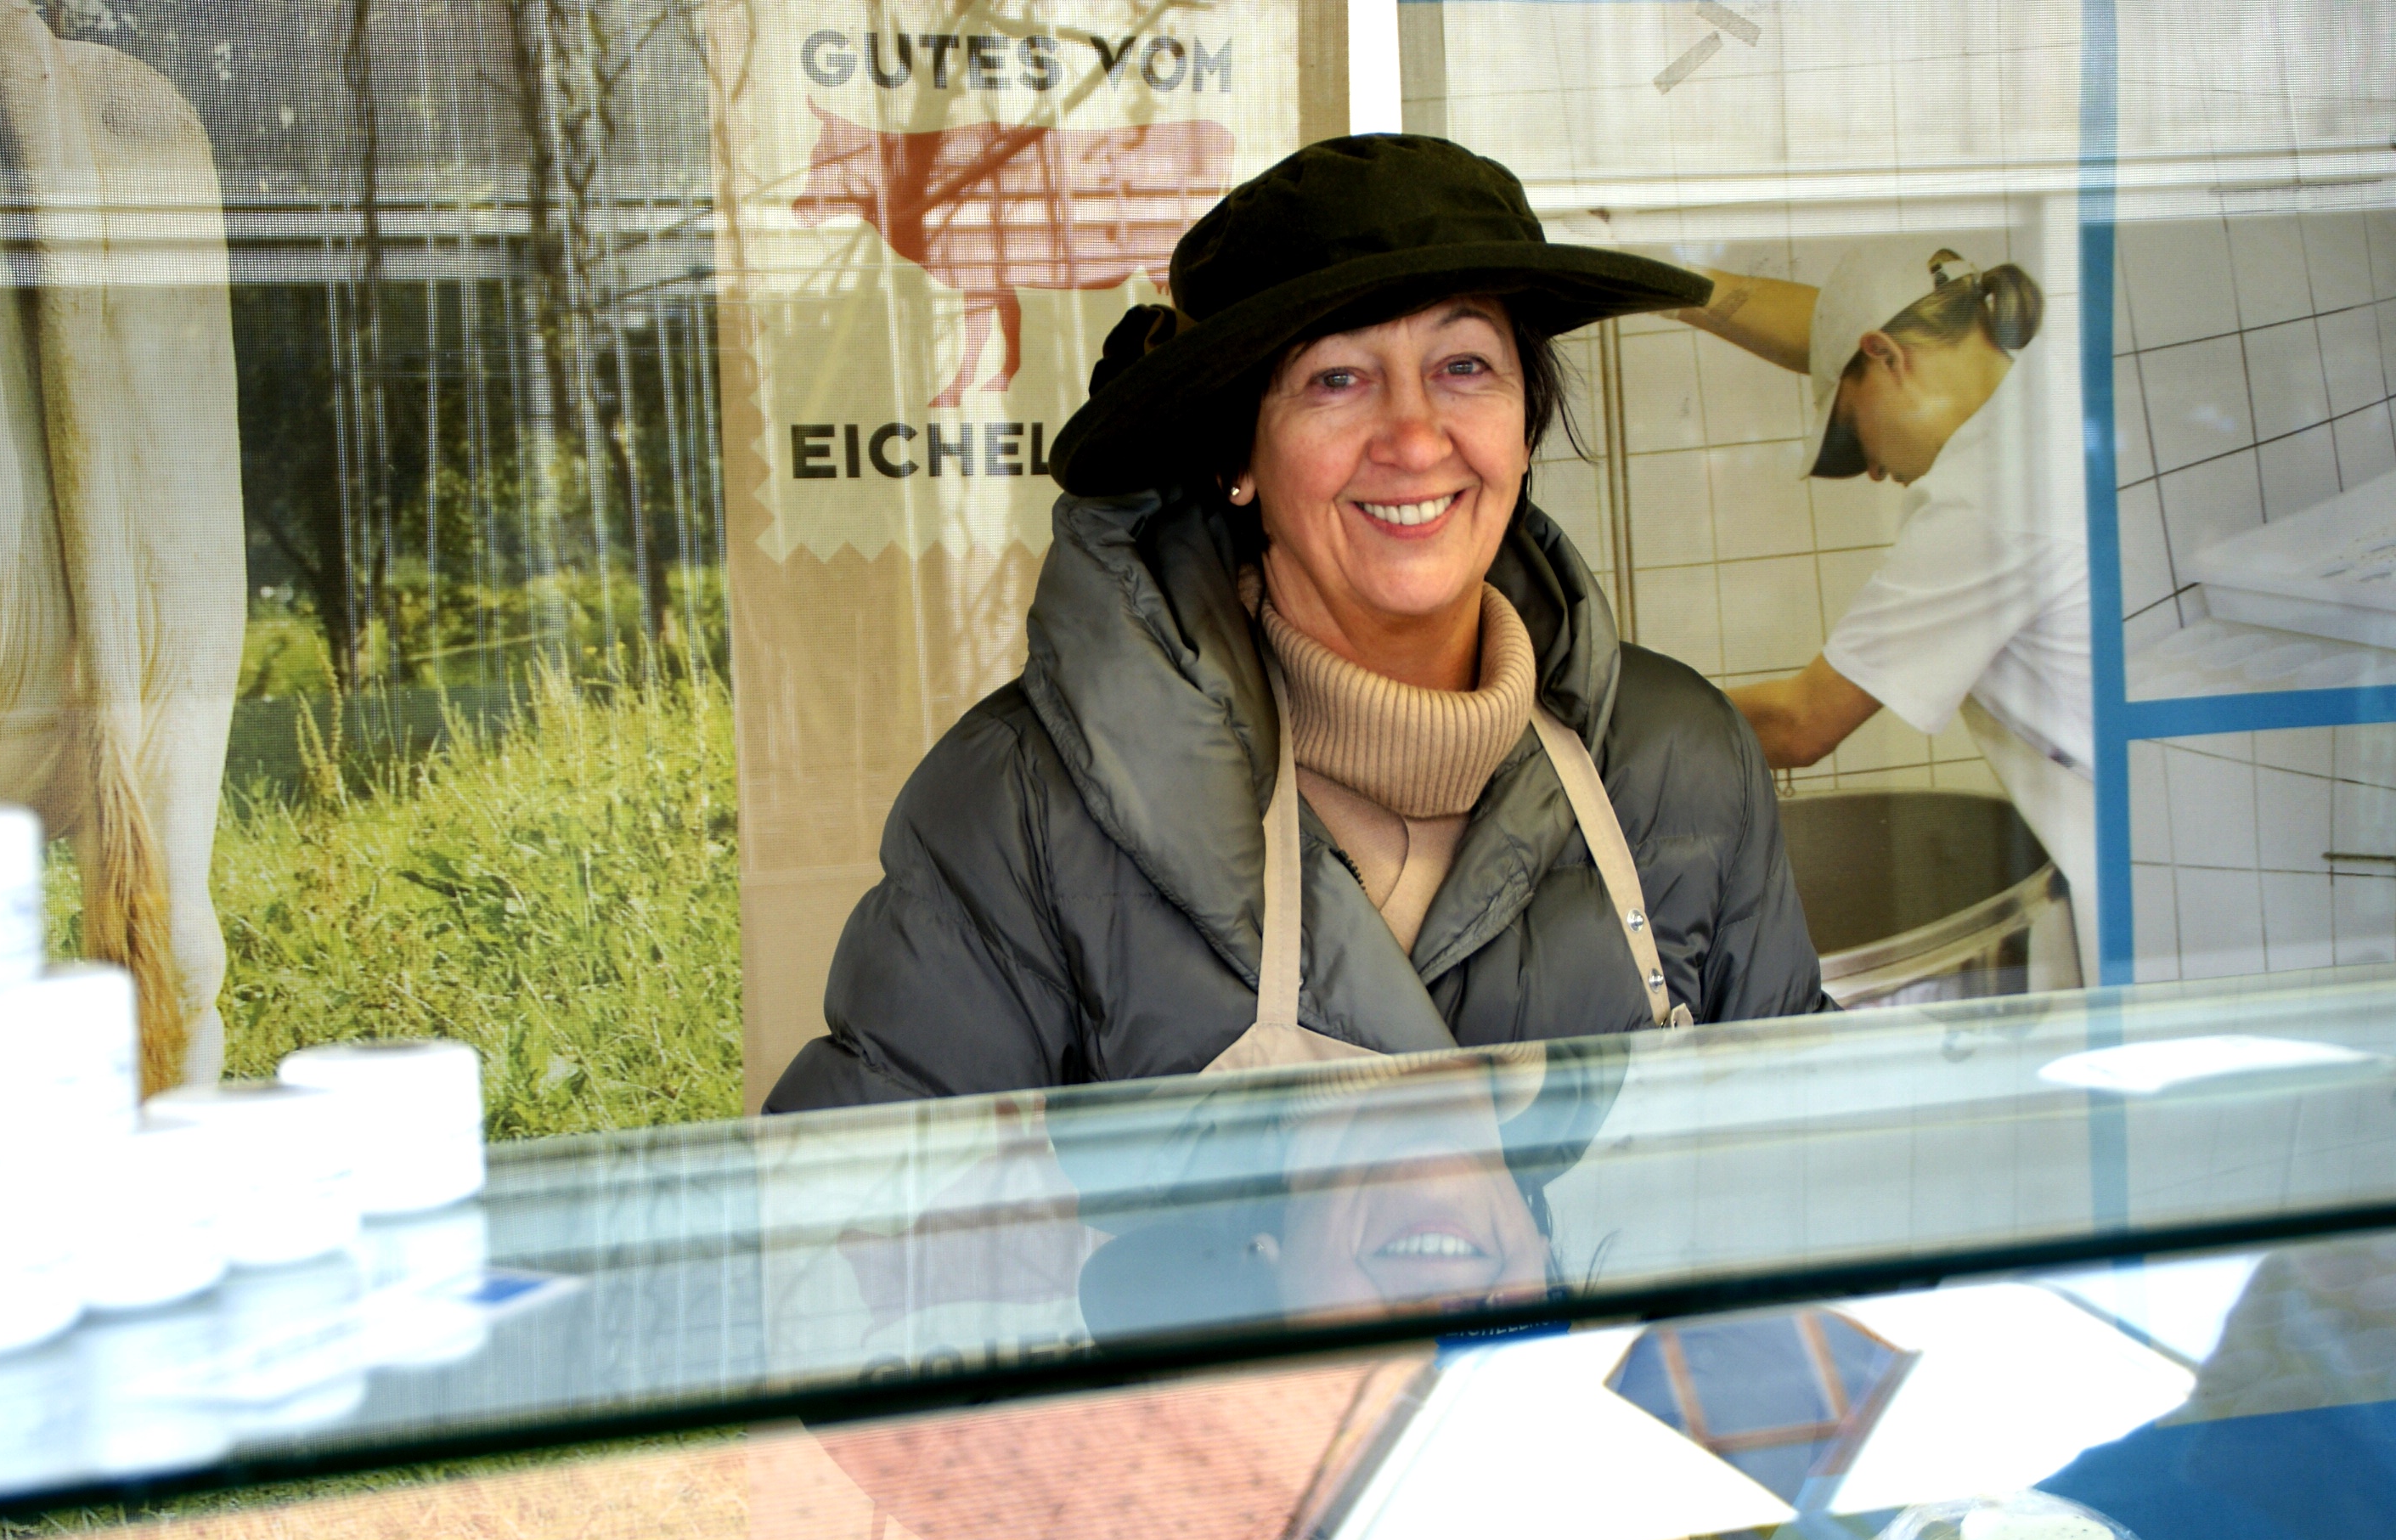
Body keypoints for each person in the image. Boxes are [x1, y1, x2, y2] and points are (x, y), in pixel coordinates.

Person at [764, 134, 1829, 1116]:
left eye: (1464, 365)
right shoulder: (1023, 811)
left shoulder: (1678, 760)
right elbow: (868, 1217)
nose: (1414, 438)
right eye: (1336, 378)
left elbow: (1799, 1164)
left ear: (1523, 424)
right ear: (1237, 459)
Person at [1676, 244, 2096, 969]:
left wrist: (1621, 725)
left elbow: (1802, 724)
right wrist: (1657, 283)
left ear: (1886, 356)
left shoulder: (1984, 494)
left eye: (1850, 429)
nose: (1871, 470)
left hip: (2145, 872)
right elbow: (1836, 326)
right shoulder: (2048, 396)